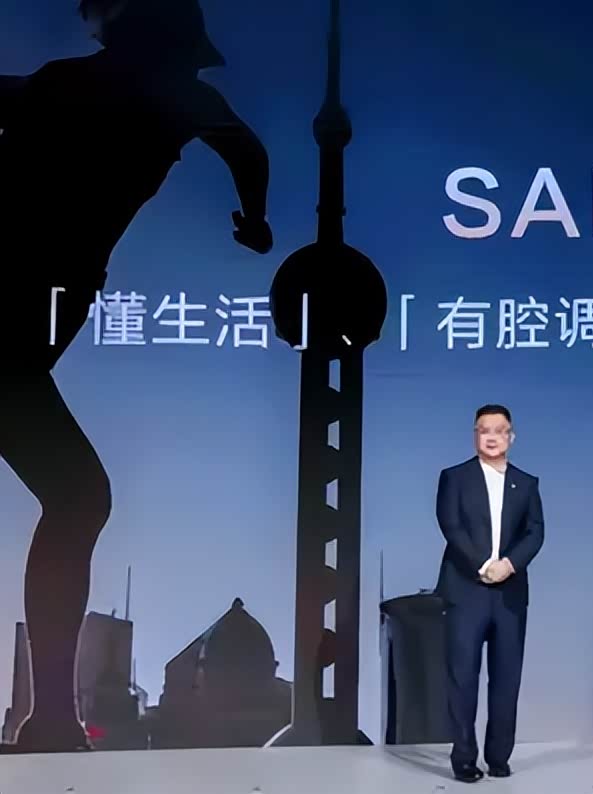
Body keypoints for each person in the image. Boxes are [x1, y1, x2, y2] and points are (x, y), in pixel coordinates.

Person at [0, 0, 271, 753]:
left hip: (23, 331)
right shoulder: (174, 97)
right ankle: (53, 718)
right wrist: (255, 221)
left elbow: (246, 153)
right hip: (14, 326)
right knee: (78, 496)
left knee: (78, 496)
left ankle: (52, 718)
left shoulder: (58, 85)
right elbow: (247, 152)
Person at [435, 404, 545, 782]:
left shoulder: (526, 483)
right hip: (466, 589)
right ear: (475, 435)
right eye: (484, 430)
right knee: (462, 678)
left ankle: (499, 757)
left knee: (506, 679)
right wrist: (484, 565)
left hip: (510, 594)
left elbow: (535, 532)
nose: (492, 437)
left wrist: (509, 565)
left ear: (511, 437)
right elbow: (450, 525)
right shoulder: (454, 477)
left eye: (500, 430)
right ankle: (464, 758)